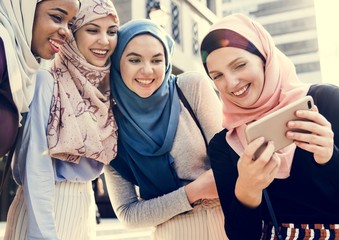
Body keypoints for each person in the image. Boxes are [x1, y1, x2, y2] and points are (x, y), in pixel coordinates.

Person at [200, 13, 339, 240]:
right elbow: (241, 235)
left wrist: (329, 158)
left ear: (265, 58)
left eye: (240, 65)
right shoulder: (223, 145)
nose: (231, 83)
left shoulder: (327, 101)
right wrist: (247, 188)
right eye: (217, 76)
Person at [4, 0, 119, 239]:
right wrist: (43, 235)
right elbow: (36, 166)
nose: (105, 41)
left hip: (84, 209)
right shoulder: (47, 80)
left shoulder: (105, 90)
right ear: (73, 37)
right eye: (92, 29)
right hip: (45, 211)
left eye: (111, 31)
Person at [104, 19, 228, 240]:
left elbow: (229, 165)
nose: (147, 70)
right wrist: (193, 192)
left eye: (156, 60)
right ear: (117, 63)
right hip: (170, 234)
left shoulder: (191, 88)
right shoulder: (108, 127)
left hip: (225, 225)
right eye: (134, 60)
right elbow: (128, 214)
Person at [0, 0, 80, 158]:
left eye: (70, 24)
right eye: (57, 17)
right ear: (27, 9)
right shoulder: (1, 49)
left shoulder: (19, 63)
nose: (67, 32)